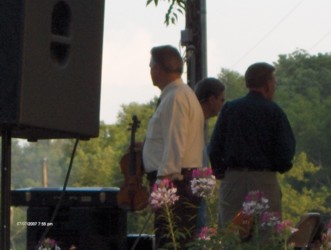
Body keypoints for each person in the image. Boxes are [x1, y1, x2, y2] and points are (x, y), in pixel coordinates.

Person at [208, 62, 296, 231]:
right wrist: (279, 167)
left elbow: (214, 147)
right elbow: (285, 153)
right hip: (264, 181)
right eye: (274, 82)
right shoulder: (274, 111)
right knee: (266, 238)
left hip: (233, 179)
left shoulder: (230, 109)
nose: (275, 86)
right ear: (268, 84)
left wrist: (221, 172)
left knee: (230, 235)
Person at [142, 45, 205, 249]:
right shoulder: (178, 94)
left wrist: (162, 186)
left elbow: (175, 141)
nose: (150, 70)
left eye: (151, 65)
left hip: (175, 184)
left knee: (171, 241)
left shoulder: (176, 97)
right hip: (178, 181)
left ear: (158, 69)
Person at [194, 77, 225, 231]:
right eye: (221, 99)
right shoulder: (194, 119)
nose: (222, 104)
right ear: (212, 99)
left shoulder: (199, 121)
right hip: (193, 188)